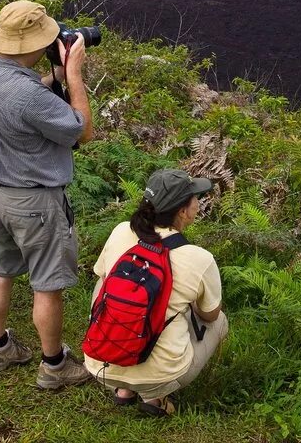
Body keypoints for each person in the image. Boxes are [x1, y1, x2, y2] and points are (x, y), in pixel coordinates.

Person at [0, 0, 95, 388]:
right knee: (47, 284)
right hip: (35, 201)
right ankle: (54, 366)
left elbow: (25, 97)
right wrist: (72, 75)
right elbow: (82, 130)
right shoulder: (28, 96)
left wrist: (52, 75)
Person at [85, 168, 228, 417]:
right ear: (183, 211)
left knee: (104, 282)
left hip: (100, 365)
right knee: (219, 320)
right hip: (162, 374)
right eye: (195, 197)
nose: (198, 202)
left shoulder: (120, 231)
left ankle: (123, 388)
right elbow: (210, 316)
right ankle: (155, 396)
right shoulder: (199, 258)